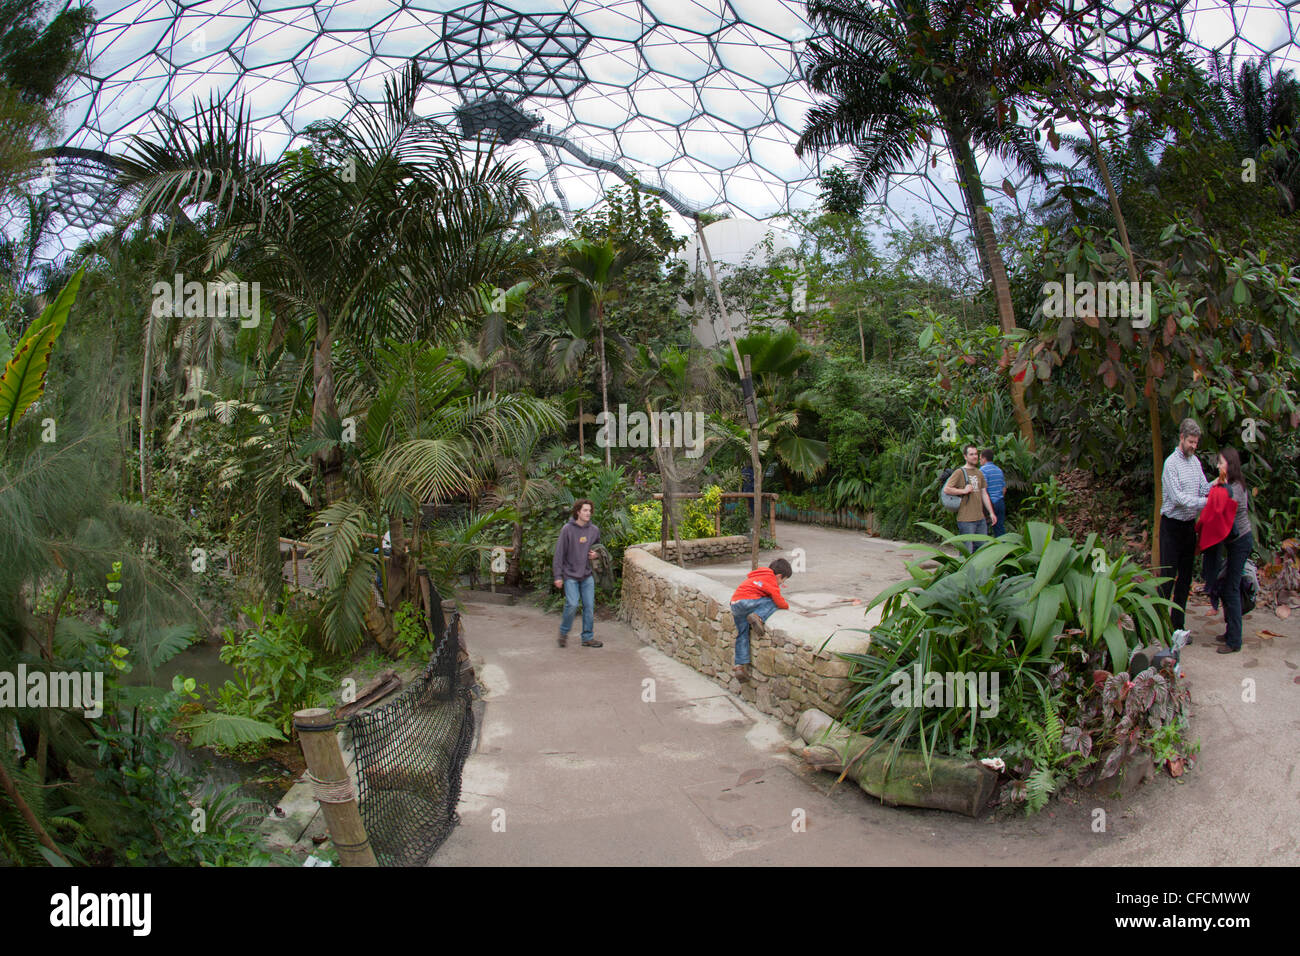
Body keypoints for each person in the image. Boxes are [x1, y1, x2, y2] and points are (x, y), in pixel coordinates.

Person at [1158, 419, 1212, 635]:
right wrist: (1206, 502)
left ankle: (1177, 627)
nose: (1193, 446)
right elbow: (1178, 498)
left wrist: (1217, 486)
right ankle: (1158, 625)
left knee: (1185, 580)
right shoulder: (1171, 464)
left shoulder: (1195, 462)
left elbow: (1203, 488)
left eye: (1196, 443)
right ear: (1181, 437)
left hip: (1189, 527)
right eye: (1191, 441)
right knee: (1167, 578)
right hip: (1171, 527)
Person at [1199, 447, 1252, 655]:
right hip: (1234, 543)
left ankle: (1234, 641)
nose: (1218, 466)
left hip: (1241, 542)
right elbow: (1210, 494)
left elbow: (1222, 508)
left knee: (1231, 588)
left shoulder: (1235, 488)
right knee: (1227, 585)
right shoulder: (1228, 484)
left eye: (1221, 462)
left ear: (1230, 464)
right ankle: (1231, 631)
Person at [729, 558, 792, 682]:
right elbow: (778, 599)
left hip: (735, 604)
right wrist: (786, 607)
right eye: (783, 581)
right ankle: (758, 616)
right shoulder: (771, 579)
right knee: (773, 601)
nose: (781, 584)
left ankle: (740, 666)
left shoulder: (757, 575)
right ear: (779, 576)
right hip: (748, 602)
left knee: (742, 634)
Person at [553, 499, 602, 648]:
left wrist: (596, 555)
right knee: (572, 604)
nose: (588, 513)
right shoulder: (567, 529)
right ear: (578, 512)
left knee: (589, 606)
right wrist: (558, 576)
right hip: (570, 575)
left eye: (589, 510)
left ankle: (587, 637)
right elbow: (559, 554)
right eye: (585, 510)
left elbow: (599, 548)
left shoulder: (594, 530)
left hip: (587, 575)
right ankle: (563, 632)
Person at [943, 444, 997, 553]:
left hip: (980, 518)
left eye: (976, 454)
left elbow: (984, 494)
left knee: (982, 549)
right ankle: (963, 570)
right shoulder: (959, 472)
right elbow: (947, 489)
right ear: (965, 457)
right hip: (966, 519)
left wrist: (991, 513)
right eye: (971, 454)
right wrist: (963, 491)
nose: (974, 457)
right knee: (966, 551)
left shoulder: (979, 472)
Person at [980, 448, 1007, 538]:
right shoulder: (999, 470)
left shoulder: (983, 470)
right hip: (1000, 501)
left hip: (990, 503)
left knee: (983, 528)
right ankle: (1004, 549)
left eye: (980, 459)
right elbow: (1004, 489)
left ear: (984, 458)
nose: (980, 461)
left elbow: (984, 488)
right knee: (999, 528)